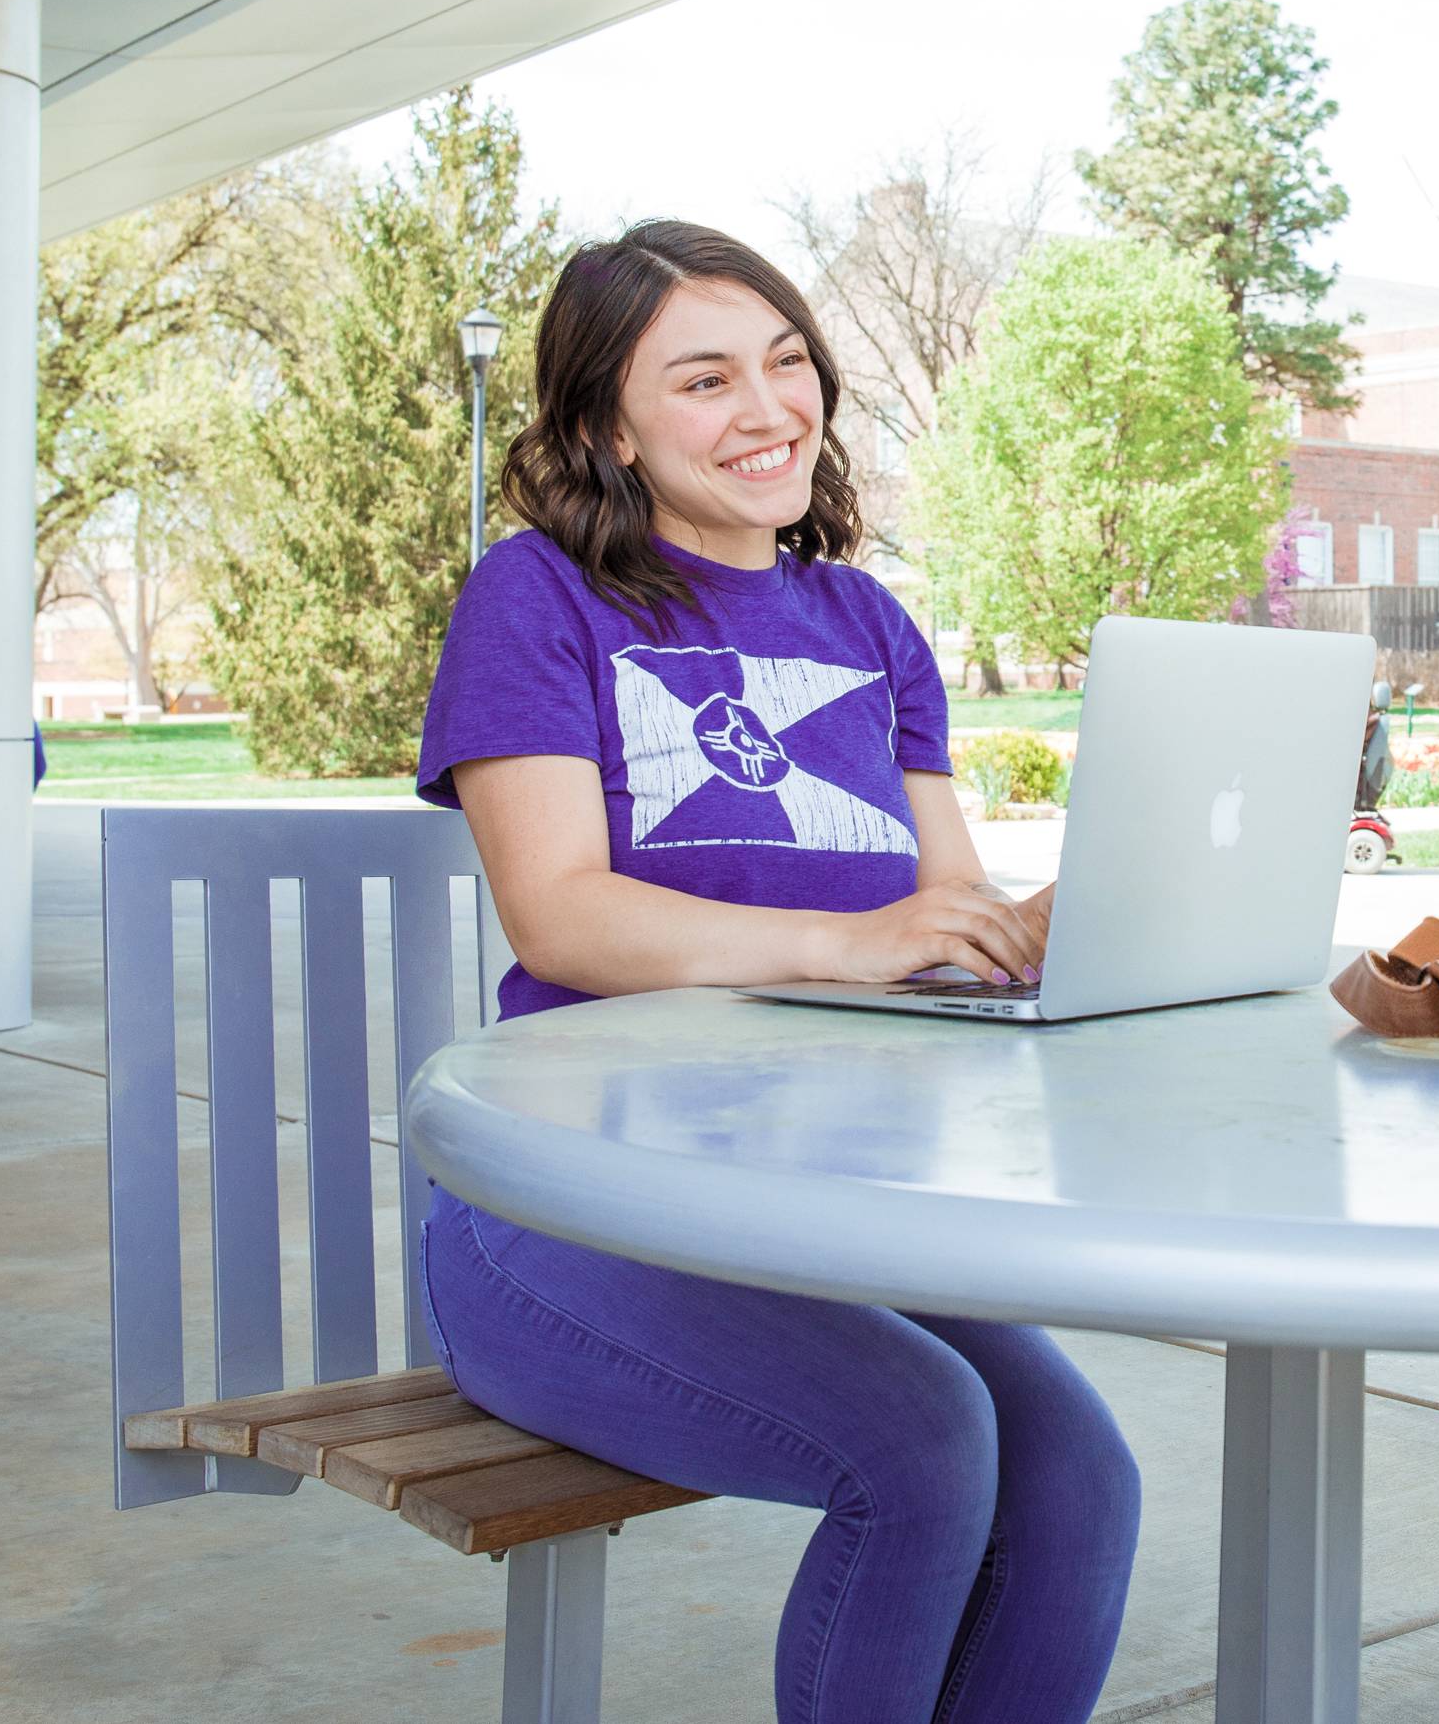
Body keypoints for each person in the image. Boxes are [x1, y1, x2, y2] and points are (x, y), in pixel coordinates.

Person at [412, 221, 1140, 1724]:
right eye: (703, 378)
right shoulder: (537, 599)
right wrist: (847, 942)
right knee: (925, 1449)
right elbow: (559, 914)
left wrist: (1091, 908)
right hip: (570, 1210)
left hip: (824, 1213)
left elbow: (947, 908)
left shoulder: (870, 623)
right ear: (608, 424)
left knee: (1078, 1476)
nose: (769, 409)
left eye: (789, 361)